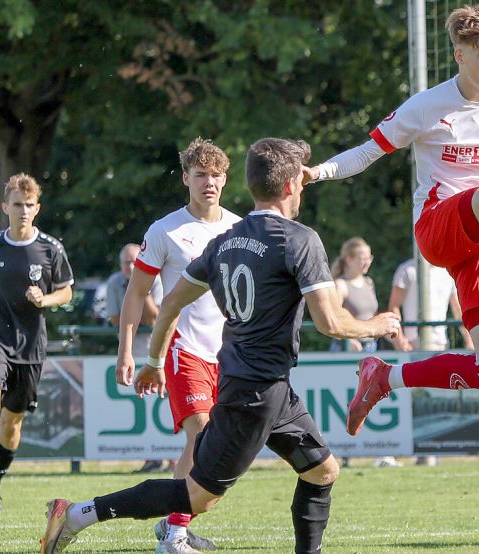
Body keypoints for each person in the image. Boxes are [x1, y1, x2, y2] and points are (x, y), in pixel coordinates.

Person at [39, 137, 401, 554]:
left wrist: (153, 359)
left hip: (270, 389)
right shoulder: (298, 239)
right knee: (196, 497)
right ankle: (77, 514)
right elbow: (331, 323)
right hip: (253, 394)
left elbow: (170, 303)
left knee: (322, 471)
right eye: (301, 181)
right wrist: (376, 324)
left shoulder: (225, 240)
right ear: (290, 186)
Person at [305, 4, 479, 436]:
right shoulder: (428, 105)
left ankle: (384, 377)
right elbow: (367, 152)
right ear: (459, 55)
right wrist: (317, 172)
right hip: (438, 225)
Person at [112, 137, 240, 552]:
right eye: (200, 175)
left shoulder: (240, 228)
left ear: (226, 179)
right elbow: (136, 293)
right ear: (185, 178)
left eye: (216, 175)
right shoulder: (165, 230)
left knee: (220, 450)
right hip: (184, 349)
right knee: (199, 434)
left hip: (231, 353)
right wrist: (126, 351)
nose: (209, 182)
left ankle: (174, 519)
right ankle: (176, 534)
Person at [0, 173, 74, 513]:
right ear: (5, 206)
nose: (23, 210)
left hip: (30, 345)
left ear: (37, 208)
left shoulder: (51, 248)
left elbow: (66, 291)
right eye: (17, 204)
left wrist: (45, 299)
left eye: (29, 205)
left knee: (12, 422)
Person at [105, 243, 169, 474]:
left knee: (165, 404)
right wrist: (135, 299)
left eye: (135, 262)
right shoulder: (114, 283)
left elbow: (154, 319)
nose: (131, 267)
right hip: (132, 351)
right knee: (143, 405)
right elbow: (115, 319)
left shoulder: (156, 280)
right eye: (126, 263)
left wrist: (142, 291)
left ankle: (173, 457)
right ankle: (151, 458)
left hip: (157, 351)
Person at [387, 257, 473, 351]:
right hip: (413, 343)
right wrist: (400, 341)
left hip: (441, 343)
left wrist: (469, 339)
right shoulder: (407, 270)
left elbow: (457, 309)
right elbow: (394, 307)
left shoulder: (448, 272)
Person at [329, 237, 379, 352]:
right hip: (346, 350)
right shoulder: (340, 285)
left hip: (371, 347)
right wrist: (348, 340)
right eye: (363, 259)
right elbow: (332, 319)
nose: (367, 262)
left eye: (369, 258)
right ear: (349, 259)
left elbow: (372, 315)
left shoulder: (369, 282)